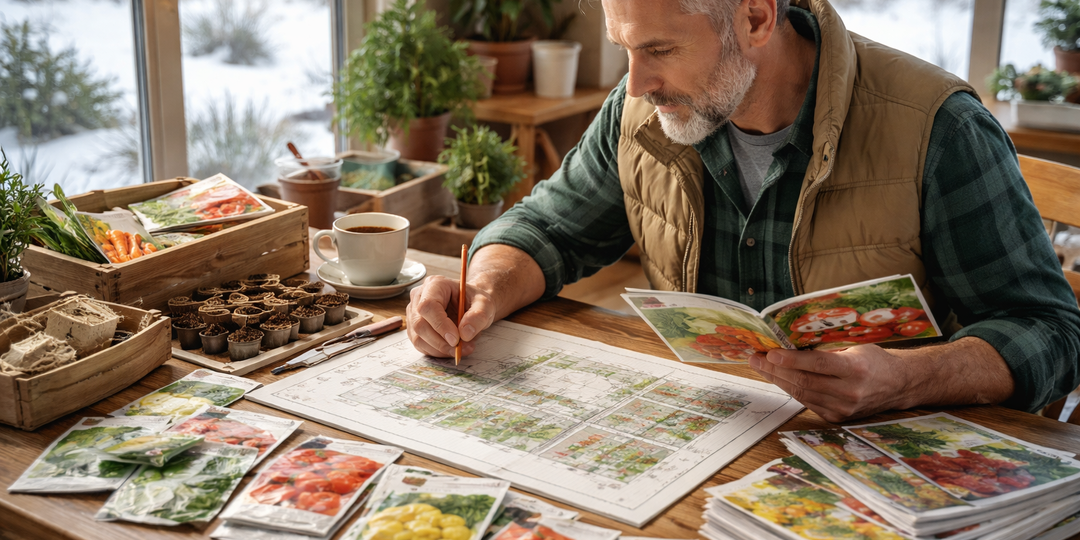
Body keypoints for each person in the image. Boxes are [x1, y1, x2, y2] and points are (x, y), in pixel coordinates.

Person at [406, 0, 1080, 423]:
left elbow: (1051, 331)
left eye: (660, 50)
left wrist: (906, 379)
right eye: (626, 48)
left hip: (884, 461)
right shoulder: (645, 107)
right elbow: (549, 228)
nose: (636, 84)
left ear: (757, 18)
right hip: (705, 443)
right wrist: (482, 289)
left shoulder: (941, 128)